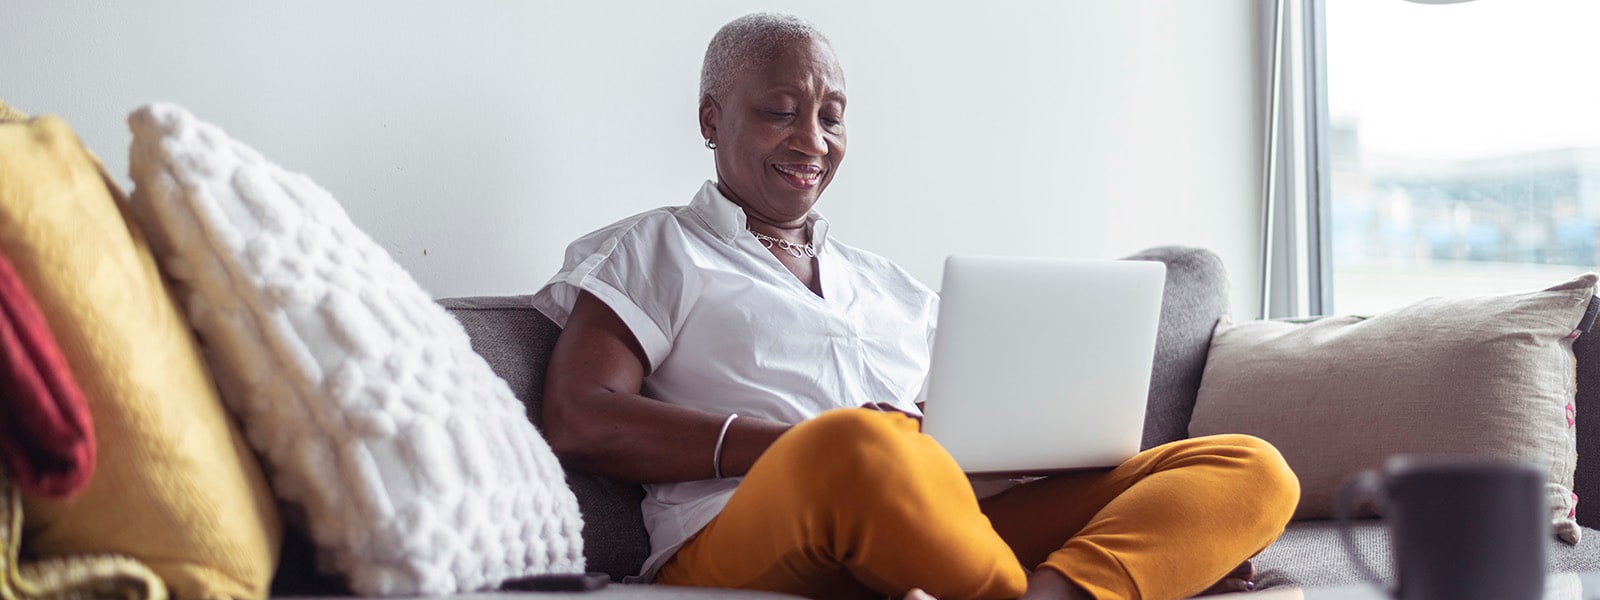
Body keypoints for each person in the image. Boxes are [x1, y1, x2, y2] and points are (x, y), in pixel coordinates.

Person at [532, 12, 1299, 600]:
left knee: (1250, 464)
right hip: (751, 528)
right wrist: (791, 443)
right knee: (858, 448)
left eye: (831, 116)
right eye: (780, 111)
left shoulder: (888, 283)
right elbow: (581, 414)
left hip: (947, 519)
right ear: (711, 120)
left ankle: (1054, 591)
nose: (813, 139)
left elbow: (958, 420)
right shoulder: (656, 248)